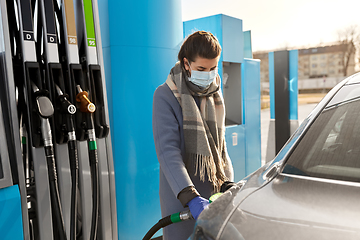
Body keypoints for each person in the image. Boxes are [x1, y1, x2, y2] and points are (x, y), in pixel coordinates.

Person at [152, 30, 234, 240]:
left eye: (213, 68)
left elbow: (220, 146)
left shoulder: (214, 93)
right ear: (186, 64)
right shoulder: (165, 95)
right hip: (181, 194)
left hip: (214, 192)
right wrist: (190, 197)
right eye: (201, 68)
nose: (208, 74)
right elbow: (167, 152)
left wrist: (228, 183)